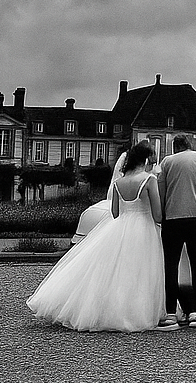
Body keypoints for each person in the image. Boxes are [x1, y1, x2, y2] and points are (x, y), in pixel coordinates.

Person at [27, 141, 165, 332]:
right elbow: (158, 215)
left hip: (120, 227)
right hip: (143, 227)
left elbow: (115, 212)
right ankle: (134, 311)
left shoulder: (118, 183)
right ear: (147, 159)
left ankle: (105, 310)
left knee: (115, 271)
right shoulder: (149, 180)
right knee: (140, 272)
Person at [157, 135, 196, 330]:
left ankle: (171, 312)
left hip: (173, 218)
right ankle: (195, 312)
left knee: (171, 265)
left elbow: (161, 191)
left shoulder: (167, 162)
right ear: (189, 145)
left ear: (175, 147)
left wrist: (164, 214)